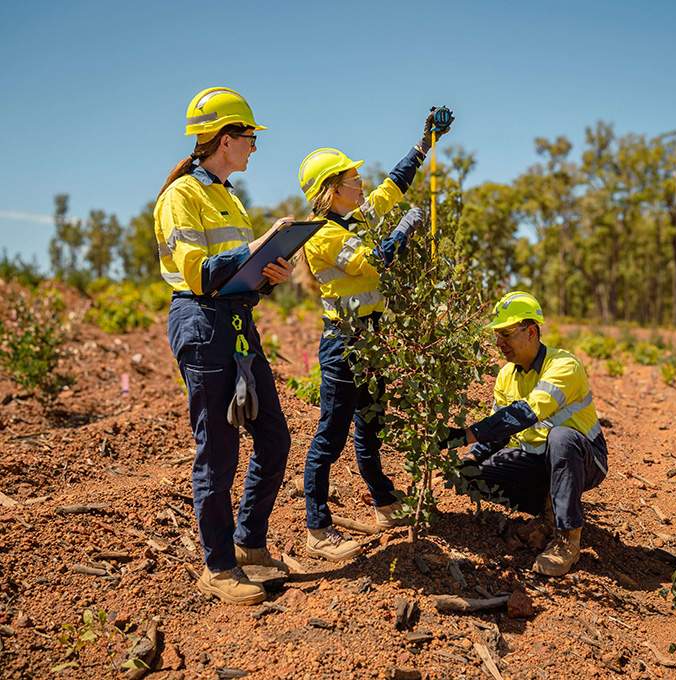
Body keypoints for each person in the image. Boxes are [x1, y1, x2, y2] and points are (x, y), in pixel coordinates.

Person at [154, 87, 294, 604]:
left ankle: (248, 543)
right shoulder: (181, 196)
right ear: (225, 138)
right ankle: (218, 566)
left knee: (274, 439)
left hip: (236, 322)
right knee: (217, 452)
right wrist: (257, 247)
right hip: (201, 323)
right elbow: (199, 274)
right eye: (250, 137)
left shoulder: (229, 196)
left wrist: (269, 274)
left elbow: (238, 275)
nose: (255, 146)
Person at [297, 108, 454, 561]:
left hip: (372, 341)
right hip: (344, 344)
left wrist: (423, 145)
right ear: (333, 189)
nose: (361, 183)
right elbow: (372, 263)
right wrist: (404, 230)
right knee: (331, 436)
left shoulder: (356, 218)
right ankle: (317, 527)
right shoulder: (322, 235)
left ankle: (384, 503)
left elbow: (391, 187)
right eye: (353, 178)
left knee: (371, 425)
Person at [441, 291, 608, 577]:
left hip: (584, 460)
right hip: (537, 461)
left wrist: (463, 435)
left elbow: (525, 413)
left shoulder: (564, 366)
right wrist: (470, 459)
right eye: (497, 335)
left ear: (531, 332)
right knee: (469, 474)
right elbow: (498, 433)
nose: (499, 343)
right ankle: (549, 509)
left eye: (506, 334)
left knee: (561, 437)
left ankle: (567, 539)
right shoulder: (506, 375)